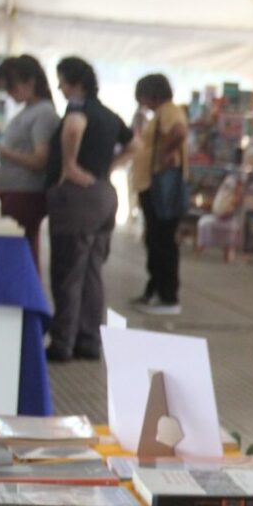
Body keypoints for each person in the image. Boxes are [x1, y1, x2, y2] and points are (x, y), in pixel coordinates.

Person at [44, 56, 140, 363]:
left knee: (67, 271)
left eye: (61, 80)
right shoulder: (110, 115)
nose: (59, 86)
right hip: (103, 194)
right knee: (92, 270)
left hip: (76, 198)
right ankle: (89, 339)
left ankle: (62, 341)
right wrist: (109, 168)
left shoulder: (77, 108)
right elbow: (135, 145)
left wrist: (70, 165)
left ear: (75, 83)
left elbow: (73, 128)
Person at [0, 55, 60, 272]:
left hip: (26, 194)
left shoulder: (43, 113)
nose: (10, 94)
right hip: (15, 192)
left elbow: (40, 159)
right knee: (19, 251)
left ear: (30, 82)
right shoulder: (28, 112)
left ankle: (28, 303)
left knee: (22, 253)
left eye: (12, 87)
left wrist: (3, 151)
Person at [131, 73, 188, 316]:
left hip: (161, 187)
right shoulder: (160, 114)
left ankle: (168, 295)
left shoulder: (169, 111)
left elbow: (179, 131)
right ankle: (154, 290)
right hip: (151, 186)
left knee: (162, 241)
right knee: (155, 239)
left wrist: (165, 154)